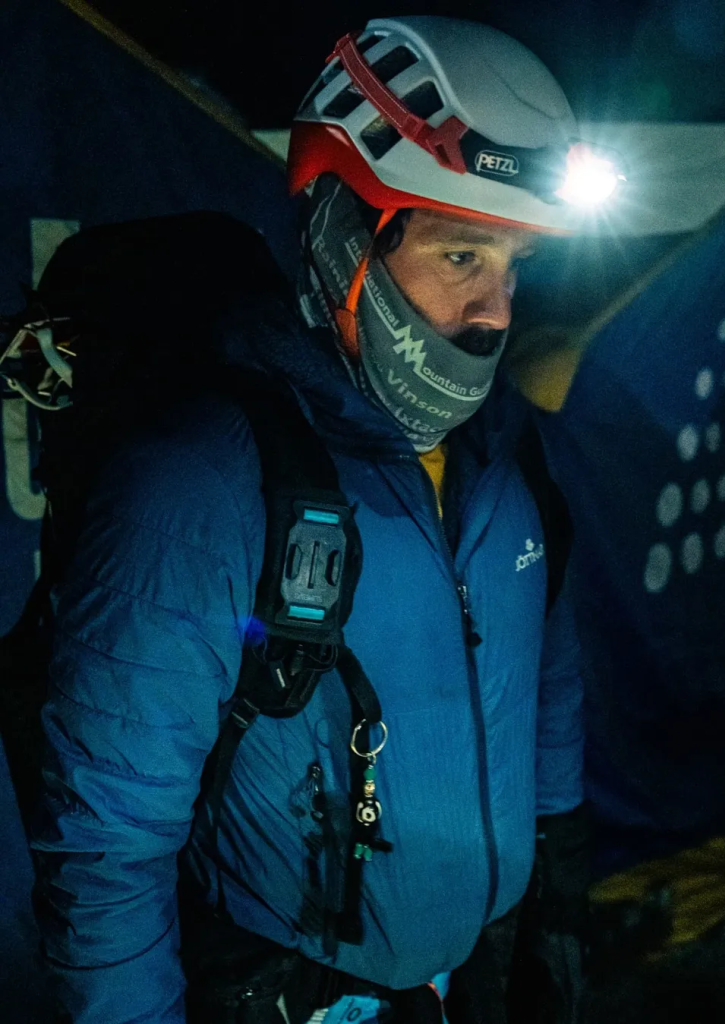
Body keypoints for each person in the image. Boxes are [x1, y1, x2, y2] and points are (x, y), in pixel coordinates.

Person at [29, 15, 596, 1024]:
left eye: (512, 265)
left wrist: (553, 886)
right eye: (462, 255)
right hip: (286, 988)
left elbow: (541, 683)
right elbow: (106, 843)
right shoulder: (203, 481)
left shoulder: (503, 456)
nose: (498, 310)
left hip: (472, 972)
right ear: (346, 235)